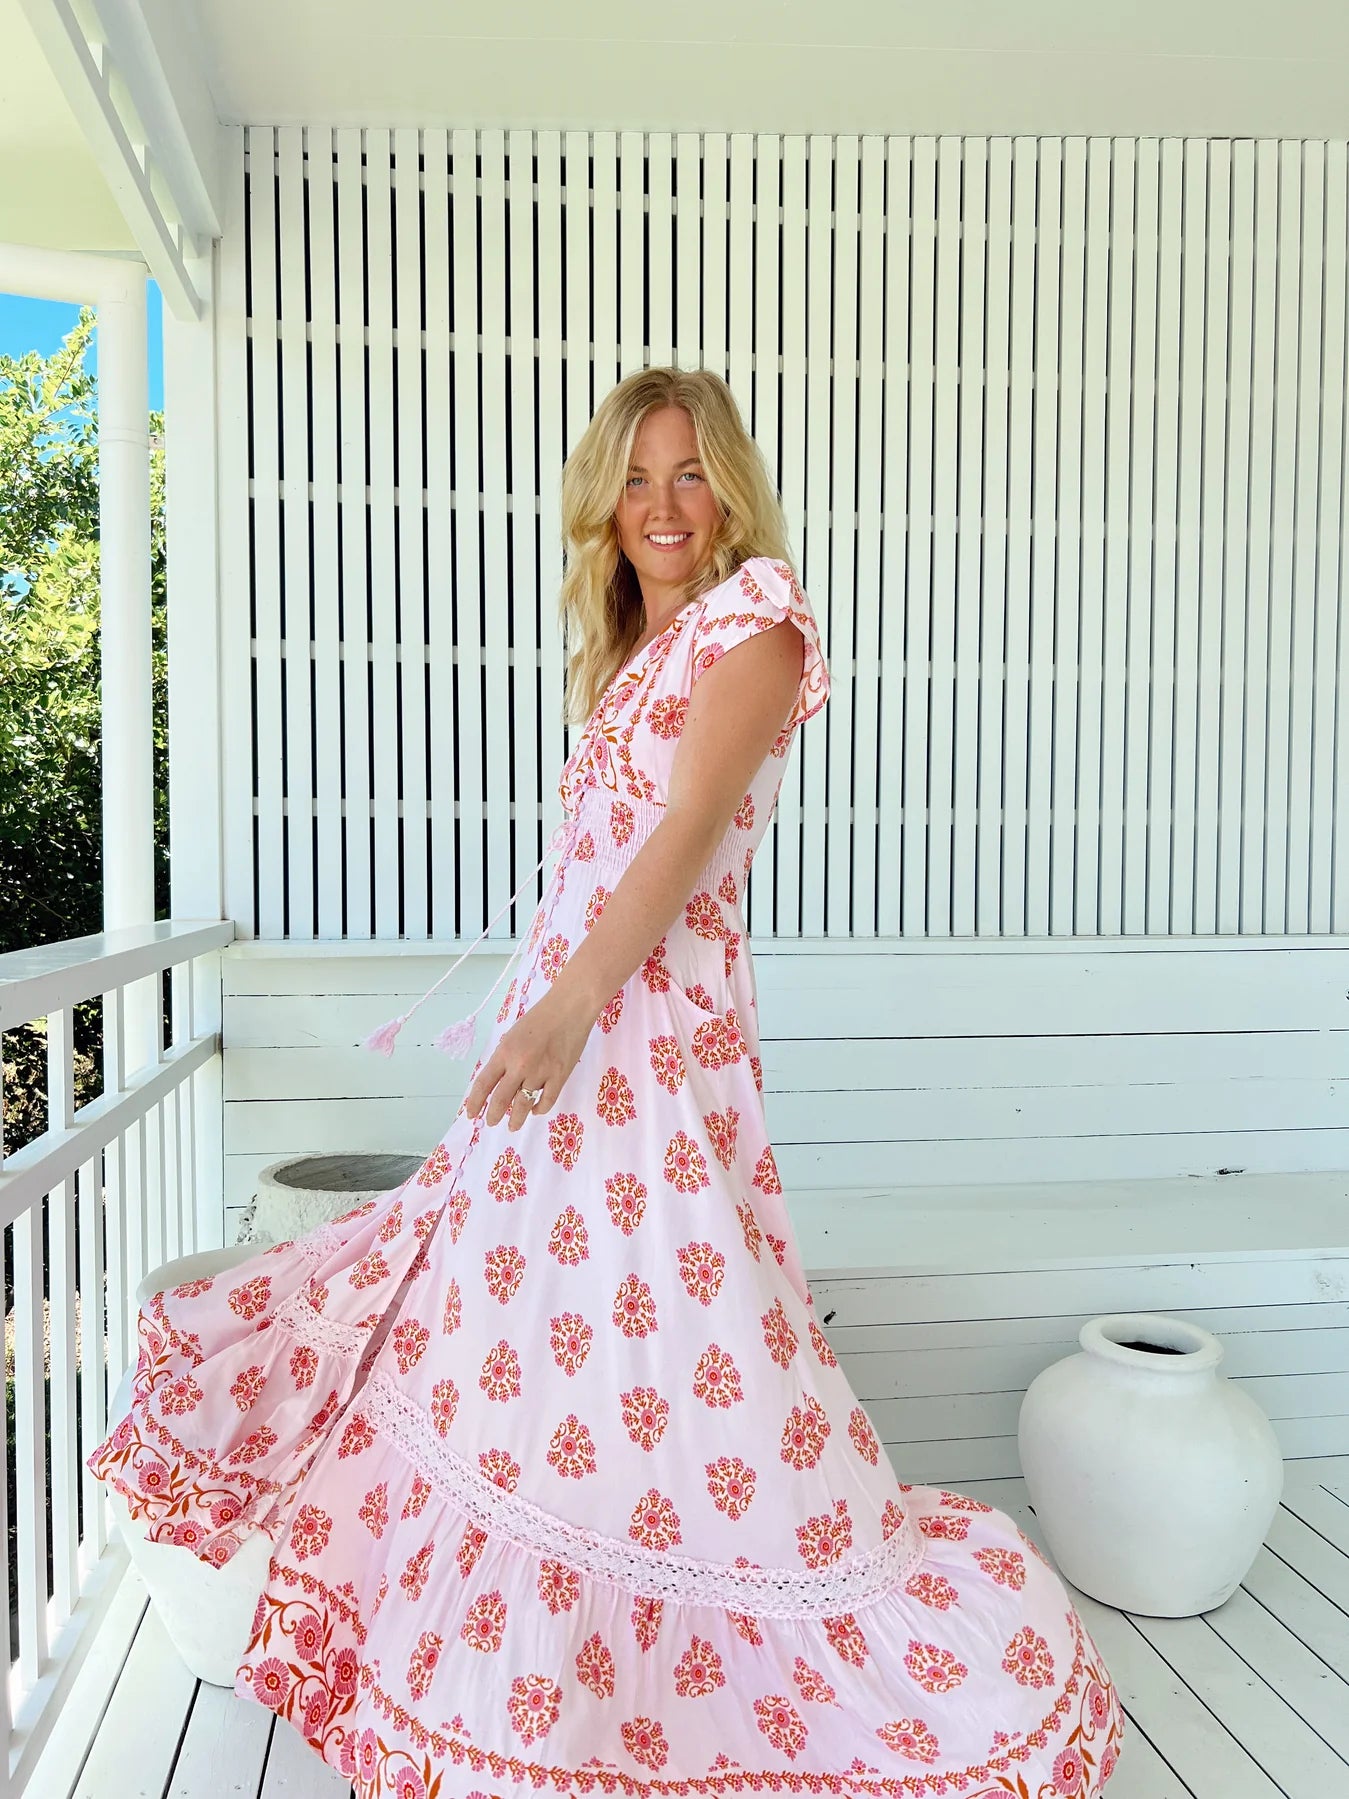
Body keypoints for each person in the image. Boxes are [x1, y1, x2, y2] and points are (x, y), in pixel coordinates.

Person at [89, 368, 1123, 1796]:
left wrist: (569, 1011)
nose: (662, 505)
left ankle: (706, 1635)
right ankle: (563, 1607)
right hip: (576, 1034)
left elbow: (687, 835)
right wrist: (545, 1011)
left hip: (645, 1042)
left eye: (689, 473)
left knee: (678, 1318)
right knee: (537, 1324)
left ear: (731, 490)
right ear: (606, 503)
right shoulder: (645, 647)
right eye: (635, 479)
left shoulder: (757, 623)